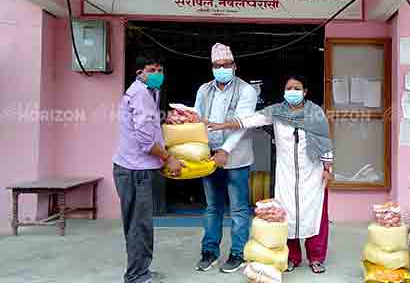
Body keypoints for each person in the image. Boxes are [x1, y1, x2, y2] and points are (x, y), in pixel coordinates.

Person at [209, 74, 334, 274]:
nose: (292, 91)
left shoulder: (315, 113)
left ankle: (316, 258)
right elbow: (250, 120)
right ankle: (292, 257)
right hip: (286, 174)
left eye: (297, 88)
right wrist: (223, 125)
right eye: (289, 88)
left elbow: (324, 140)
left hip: (313, 172)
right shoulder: (276, 112)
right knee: (286, 216)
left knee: (316, 215)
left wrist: (328, 168)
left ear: (305, 91)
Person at [112, 53, 183, 283]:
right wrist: (169, 159)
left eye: (160, 70)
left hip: (135, 168)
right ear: (139, 73)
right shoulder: (141, 94)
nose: (157, 74)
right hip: (135, 171)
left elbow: (148, 127)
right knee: (138, 226)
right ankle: (137, 276)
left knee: (140, 224)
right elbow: (145, 141)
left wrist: (167, 121)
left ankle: (141, 271)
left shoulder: (149, 92)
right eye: (152, 70)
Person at [193, 43, 257, 273]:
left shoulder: (246, 91)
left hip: (237, 159)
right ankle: (209, 252)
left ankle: (238, 253)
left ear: (234, 66)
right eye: (217, 65)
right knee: (212, 207)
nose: (222, 68)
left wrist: (225, 151)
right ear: (212, 67)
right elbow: (197, 119)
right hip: (209, 157)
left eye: (226, 65)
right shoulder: (204, 90)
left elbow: (241, 125)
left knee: (239, 209)